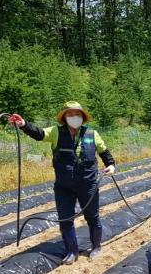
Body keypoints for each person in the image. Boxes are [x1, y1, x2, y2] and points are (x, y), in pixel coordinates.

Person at [9, 101, 116, 264]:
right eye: (70, 114)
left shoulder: (92, 134)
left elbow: (104, 152)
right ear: (64, 117)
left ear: (83, 117)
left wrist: (111, 165)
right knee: (65, 219)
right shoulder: (55, 132)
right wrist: (23, 124)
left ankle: (96, 246)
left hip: (88, 184)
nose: (74, 117)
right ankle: (72, 251)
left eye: (77, 114)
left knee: (92, 217)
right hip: (64, 186)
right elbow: (39, 134)